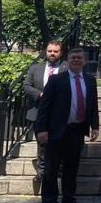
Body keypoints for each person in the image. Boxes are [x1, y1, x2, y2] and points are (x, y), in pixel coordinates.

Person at [36, 48, 99, 203]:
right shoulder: (56, 80)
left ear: (85, 61)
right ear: (67, 61)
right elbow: (44, 107)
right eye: (73, 58)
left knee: (71, 169)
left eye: (79, 58)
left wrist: (95, 126)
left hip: (77, 131)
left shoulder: (90, 80)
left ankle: (69, 200)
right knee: (51, 169)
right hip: (56, 131)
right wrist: (41, 129)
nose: (76, 60)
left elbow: (93, 105)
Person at [23, 40, 67, 181]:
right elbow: (26, 86)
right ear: (45, 52)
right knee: (41, 143)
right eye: (50, 51)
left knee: (59, 142)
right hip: (39, 110)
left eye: (55, 51)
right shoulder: (35, 68)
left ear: (61, 53)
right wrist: (40, 94)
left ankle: (59, 169)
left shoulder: (67, 68)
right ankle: (42, 170)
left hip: (59, 112)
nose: (52, 54)